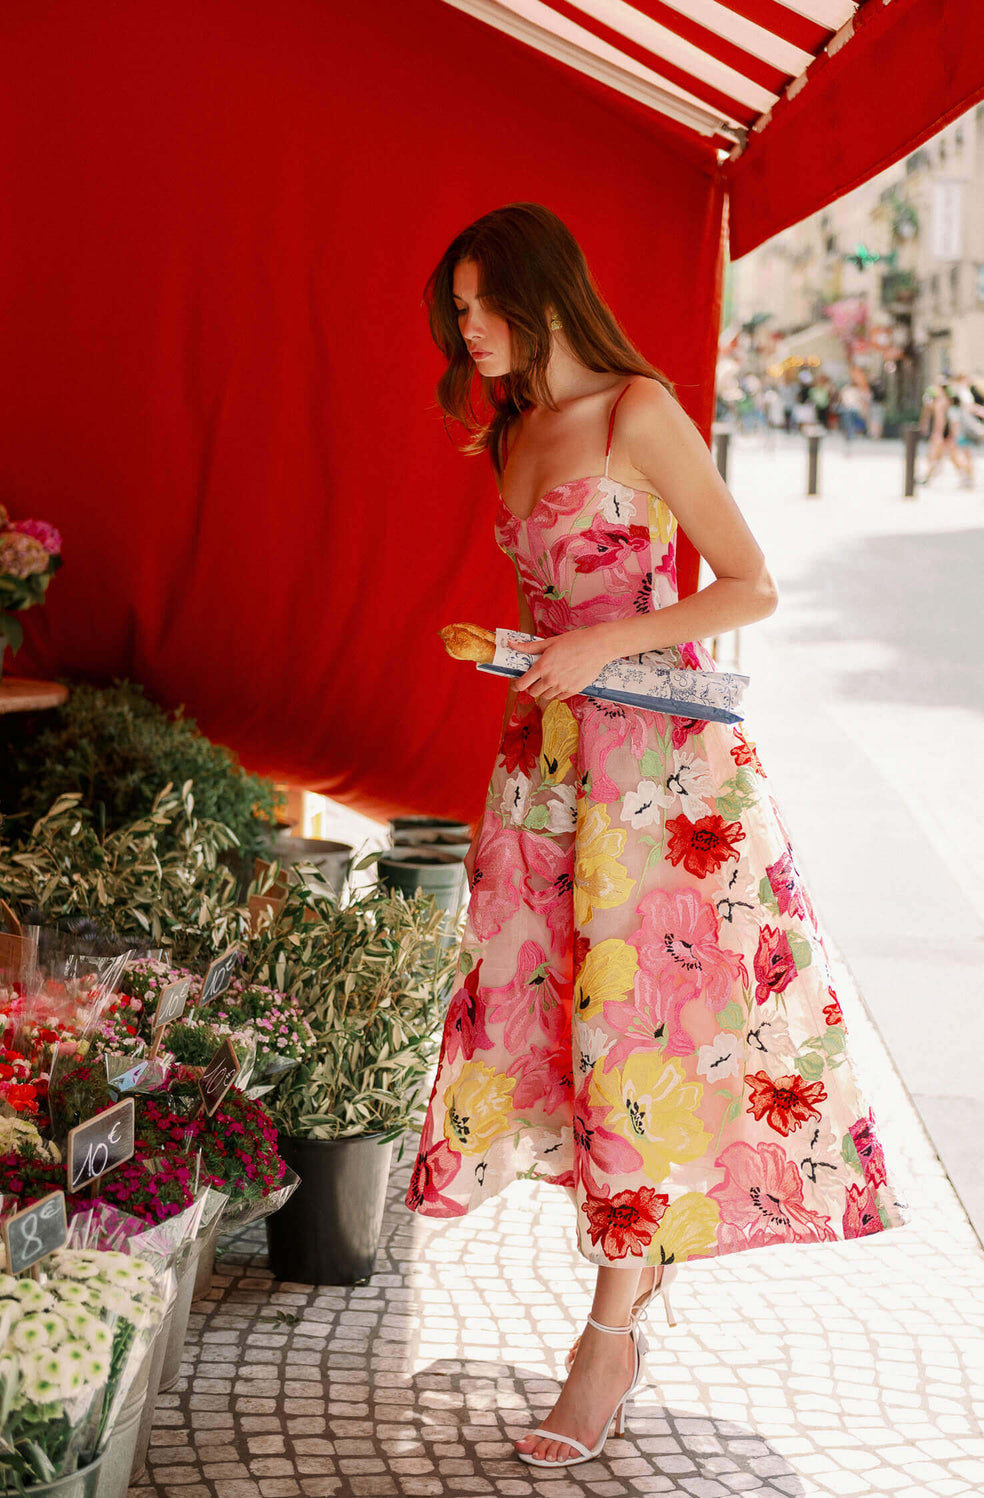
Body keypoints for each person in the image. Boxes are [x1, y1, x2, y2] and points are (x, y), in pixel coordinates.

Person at [406, 203, 905, 1471]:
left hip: (659, 787)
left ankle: (607, 1336)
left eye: (477, 304)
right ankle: (621, 1299)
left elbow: (746, 582)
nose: (464, 329)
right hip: (546, 770)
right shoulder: (510, 427)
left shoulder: (637, 411)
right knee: (555, 1016)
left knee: (642, 1032)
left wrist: (596, 645)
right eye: (455, 309)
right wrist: (533, 657)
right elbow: (556, 609)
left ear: (538, 292)